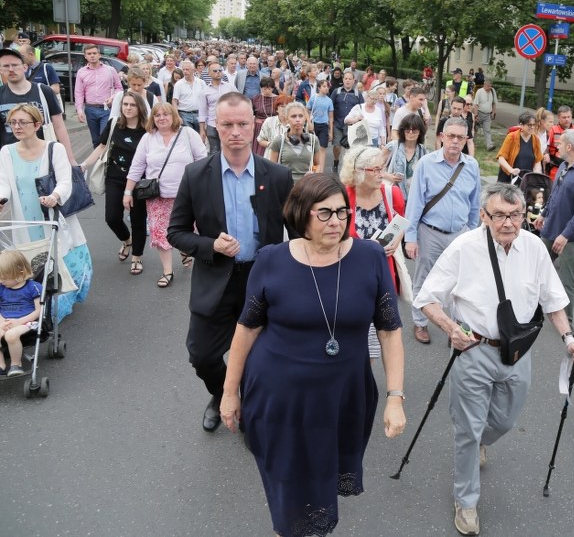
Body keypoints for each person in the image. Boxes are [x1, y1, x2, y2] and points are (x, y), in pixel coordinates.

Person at [218, 173, 404, 536]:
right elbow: (247, 328)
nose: (336, 221)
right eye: (325, 213)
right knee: (288, 481)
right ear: (301, 214)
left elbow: (389, 330)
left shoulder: (369, 257)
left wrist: (395, 397)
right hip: (279, 397)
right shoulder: (271, 260)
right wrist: (228, 392)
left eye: (342, 211)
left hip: (343, 398)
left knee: (323, 471)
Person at [414, 182, 574, 536]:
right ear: (483, 215)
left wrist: (569, 339)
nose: (508, 223)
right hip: (473, 350)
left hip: (517, 352)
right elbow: (427, 298)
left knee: (505, 420)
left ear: (525, 215)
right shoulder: (464, 247)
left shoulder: (535, 248)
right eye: (499, 215)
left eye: (515, 215)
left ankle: (480, 440)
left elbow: (553, 300)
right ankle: (466, 501)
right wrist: (451, 328)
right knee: (467, 430)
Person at [168, 92, 295, 433]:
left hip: (262, 279)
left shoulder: (277, 175)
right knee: (201, 355)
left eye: (242, 124)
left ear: (254, 126)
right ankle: (222, 393)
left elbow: (298, 231)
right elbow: (176, 232)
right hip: (216, 279)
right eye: (227, 125)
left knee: (261, 355)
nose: (235, 132)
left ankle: (251, 407)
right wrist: (211, 244)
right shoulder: (196, 174)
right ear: (215, 126)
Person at [0, 104, 92, 322]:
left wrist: (55, 196)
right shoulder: (6, 152)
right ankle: (32, 308)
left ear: (37, 124)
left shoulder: (54, 149)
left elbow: (65, 181)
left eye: (23, 122)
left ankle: (54, 309)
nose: (17, 127)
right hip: (25, 222)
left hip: (51, 217)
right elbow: (4, 183)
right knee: (32, 264)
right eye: (13, 122)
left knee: (59, 263)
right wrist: (1, 199)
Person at [405, 117, 481, 344]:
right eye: (451, 136)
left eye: (460, 137)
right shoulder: (426, 164)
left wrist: (472, 232)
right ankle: (420, 322)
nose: (455, 141)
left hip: (460, 234)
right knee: (424, 279)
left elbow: (475, 204)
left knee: (460, 284)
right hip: (430, 232)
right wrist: (410, 238)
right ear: (442, 137)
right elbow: (415, 204)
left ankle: (456, 327)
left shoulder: (472, 166)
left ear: (466, 140)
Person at [124, 102, 207, 288]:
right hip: (157, 196)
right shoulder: (148, 138)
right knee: (160, 232)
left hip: (186, 195)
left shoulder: (188, 134)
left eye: (166, 114)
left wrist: (204, 188)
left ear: (174, 116)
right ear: (153, 118)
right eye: (157, 115)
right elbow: (137, 167)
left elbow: (202, 161)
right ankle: (167, 271)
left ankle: (184, 249)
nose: (161, 118)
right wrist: (128, 192)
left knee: (188, 230)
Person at [340, 146, 407, 358]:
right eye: (376, 170)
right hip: (349, 278)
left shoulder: (392, 193)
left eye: (382, 168)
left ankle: (365, 373)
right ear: (358, 171)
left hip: (383, 276)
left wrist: (396, 241)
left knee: (378, 340)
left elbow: (401, 222)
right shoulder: (342, 195)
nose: (382, 174)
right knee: (349, 336)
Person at [81, 92, 149, 275]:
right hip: (115, 177)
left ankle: (137, 257)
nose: (128, 108)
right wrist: (84, 164)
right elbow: (102, 146)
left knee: (138, 220)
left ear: (140, 108)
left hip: (140, 181)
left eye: (132, 105)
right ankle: (127, 240)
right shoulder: (114, 124)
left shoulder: (148, 129)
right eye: (125, 104)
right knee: (112, 217)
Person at [534, 129, 574, 324]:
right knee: (536, 271)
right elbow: (555, 194)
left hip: (571, 237)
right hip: (551, 228)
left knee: (566, 280)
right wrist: (544, 214)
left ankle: (565, 323)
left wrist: (565, 235)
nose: (557, 146)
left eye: (560, 143)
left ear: (569, 147)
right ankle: (532, 310)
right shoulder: (563, 165)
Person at [0, 48, 75, 163]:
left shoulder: (44, 91)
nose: (11, 69)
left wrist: (70, 159)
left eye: (15, 65)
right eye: (6, 66)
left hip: (44, 158)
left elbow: (59, 126)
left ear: (25, 67)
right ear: (0, 70)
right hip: (10, 159)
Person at [0, 249, 42, 378]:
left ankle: (16, 364)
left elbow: (39, 310)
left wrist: (19, 321)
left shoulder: (33, 287)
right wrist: (2, 321)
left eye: (4, 278)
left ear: (19, 274)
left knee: (11, 335)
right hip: (5, 320)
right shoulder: (1, 288)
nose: (1, 281)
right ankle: (1, 365)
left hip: (27, 321)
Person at [75, 43, 123, 147]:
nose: (92, 56)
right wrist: (79, 110)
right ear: (85, 56)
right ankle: (98, 157)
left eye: (94, 53)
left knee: (104, 137)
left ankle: (106, 156)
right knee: (96, 140)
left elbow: (119, 88)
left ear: (99, 54)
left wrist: (113, 97)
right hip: (90, 109)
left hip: (106, 109)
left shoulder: (110, 70)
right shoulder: (81, 72)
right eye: (89, 54)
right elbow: (79, 93)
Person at [382, 113, 428, 200]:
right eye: (407, 129)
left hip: (414, 198)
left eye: (414, 130)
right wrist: (389, 176)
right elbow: (374, 168)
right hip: (392, 196)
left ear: (420, 132)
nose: (410, 132)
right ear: (402, 130)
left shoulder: (423, 151)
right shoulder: (392, 146)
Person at [268, 101, 314, 182]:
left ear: (305, 118)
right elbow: (272, 168)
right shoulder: (279, 141)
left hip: (307, 186)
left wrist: (314, 174)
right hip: (285, 185)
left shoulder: (313, 140)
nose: (298, 119)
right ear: (287, 119)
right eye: (293, 116)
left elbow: (318, 164)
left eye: (301, 116)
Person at [330, 70, 363, 173]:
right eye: (346, 79)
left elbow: (362, 109)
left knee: (349, 148)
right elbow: (330, 107)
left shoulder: (358, 94)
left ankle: (347, 168)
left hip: (352, 126)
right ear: (343, 80)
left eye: (350, 79)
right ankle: (336, 161)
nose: (348, 81)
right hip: (338, 124)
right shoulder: (337, 92)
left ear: (354, 81)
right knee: (337, 146)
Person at [496, 112, 542, 182]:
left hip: (525, 180)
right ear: (521, 125)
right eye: (529, 125)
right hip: (508, 178)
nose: (532, 127)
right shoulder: (512, 137)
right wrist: (511, 170)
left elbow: (538, 160)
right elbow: (501, 158)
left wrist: (537, 173)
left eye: (534, 125)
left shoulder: (536, 140)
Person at [306, 79, 334, 171]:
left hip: (324, 126)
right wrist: (309, 123)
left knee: (322, 148)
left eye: (327, 86)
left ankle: (320, 170)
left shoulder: (329, 101)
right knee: (312, 147)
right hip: (314, 125)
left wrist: (331, 131)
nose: (326, 88)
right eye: (324, 86)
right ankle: (311, 168)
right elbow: (307, 110)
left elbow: (331, 117)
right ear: (319, 88)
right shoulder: (314, 98)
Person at [172, 60, 207, 131]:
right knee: (187, 135)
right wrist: (177, 116)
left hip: (199, 114)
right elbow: (174, 101)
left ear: (193, 70)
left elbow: (206, 99)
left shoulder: (201, 82)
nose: (185, 71)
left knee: (199, 135)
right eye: (183, 69)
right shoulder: (178, 84)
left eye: (187, 69)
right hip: (184, 114)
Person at [546, 105, 574, 177]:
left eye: (569, 117)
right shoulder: (552, 130)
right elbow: (546, 147)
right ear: (558, 117)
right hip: (555, 165)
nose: (567, 119)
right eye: (564, 117)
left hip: (572, 165)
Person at [257, 94, 293, 161]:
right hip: (270, 159)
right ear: (277, 109)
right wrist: (272, 145)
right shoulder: (269, 121)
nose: (285, 109)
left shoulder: (295, 123)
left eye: (288, 107)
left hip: (289, 160)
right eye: (282, 106)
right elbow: (261, 140)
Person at [472, 79, 498, 151]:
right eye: (487, 86)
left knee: (487, 130)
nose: (488, 88)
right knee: (475, 129)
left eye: (490, 86)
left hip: (488, 115)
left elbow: (494, 103)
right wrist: (475, 115)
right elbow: (475, 104)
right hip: (479, 113)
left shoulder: (492, 91)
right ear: (484, 84)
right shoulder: (479, 91)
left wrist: (493, 112)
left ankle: (489, 145)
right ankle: (472, 143)